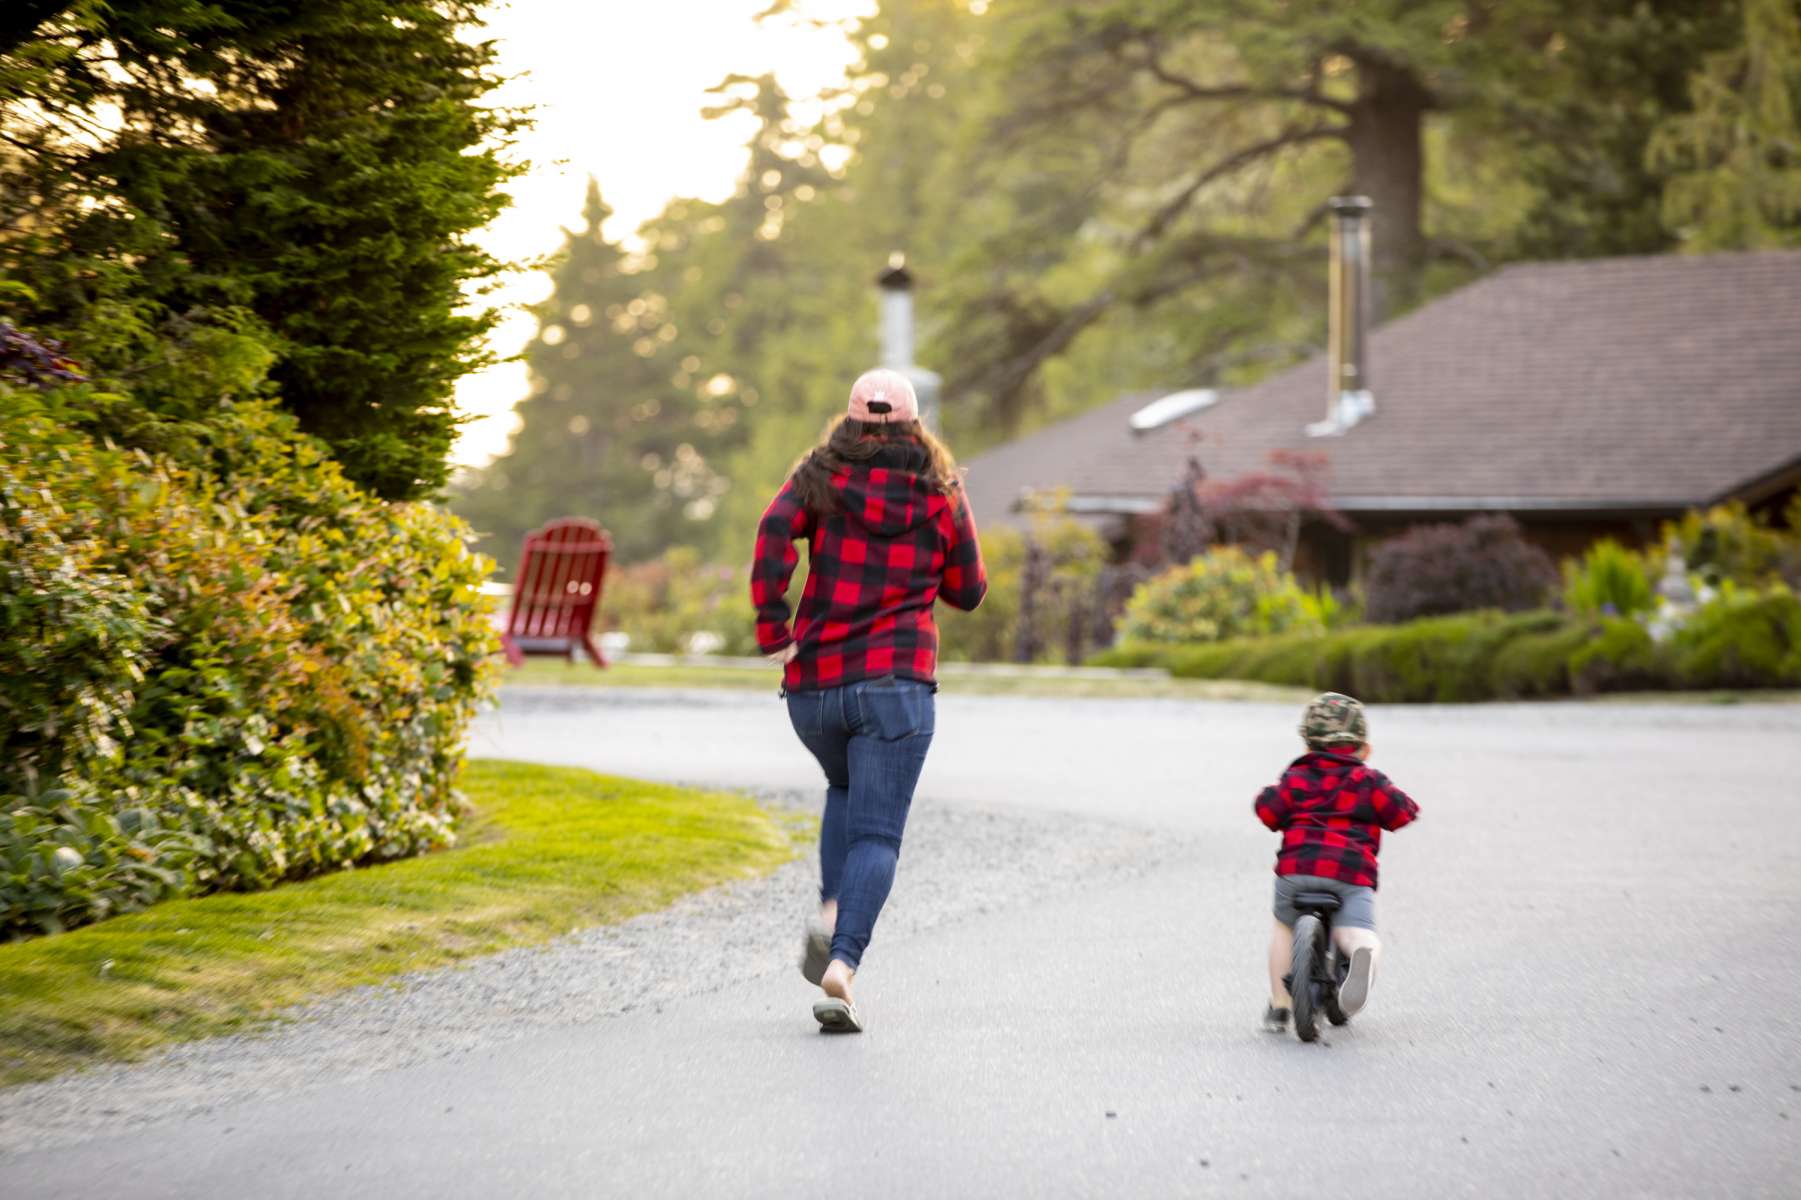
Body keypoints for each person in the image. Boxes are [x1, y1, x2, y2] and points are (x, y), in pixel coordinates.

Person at [750, 367, 986, 1033]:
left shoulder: (817, 476)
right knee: (877, 833)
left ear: (850, 419)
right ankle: (842, 967)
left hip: (815, 687)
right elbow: (968, 590)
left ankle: (831, 913)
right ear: (914, 422)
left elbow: (771, 534)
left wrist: (775, 633)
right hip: (895, 689)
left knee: (843, 787)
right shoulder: (939, 491)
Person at [1255, 692, 1419, 1031]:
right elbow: (1402, 813)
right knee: (1356, 931)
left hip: (1296, 871)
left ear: (1307, 746)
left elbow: (1268, 811)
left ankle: (1280, 1007)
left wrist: (1271, 797)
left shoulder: (1296, 776)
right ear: (1365, 748)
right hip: (1350, 873)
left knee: (1284, 927)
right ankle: (1363, 954)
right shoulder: (1370, 781)